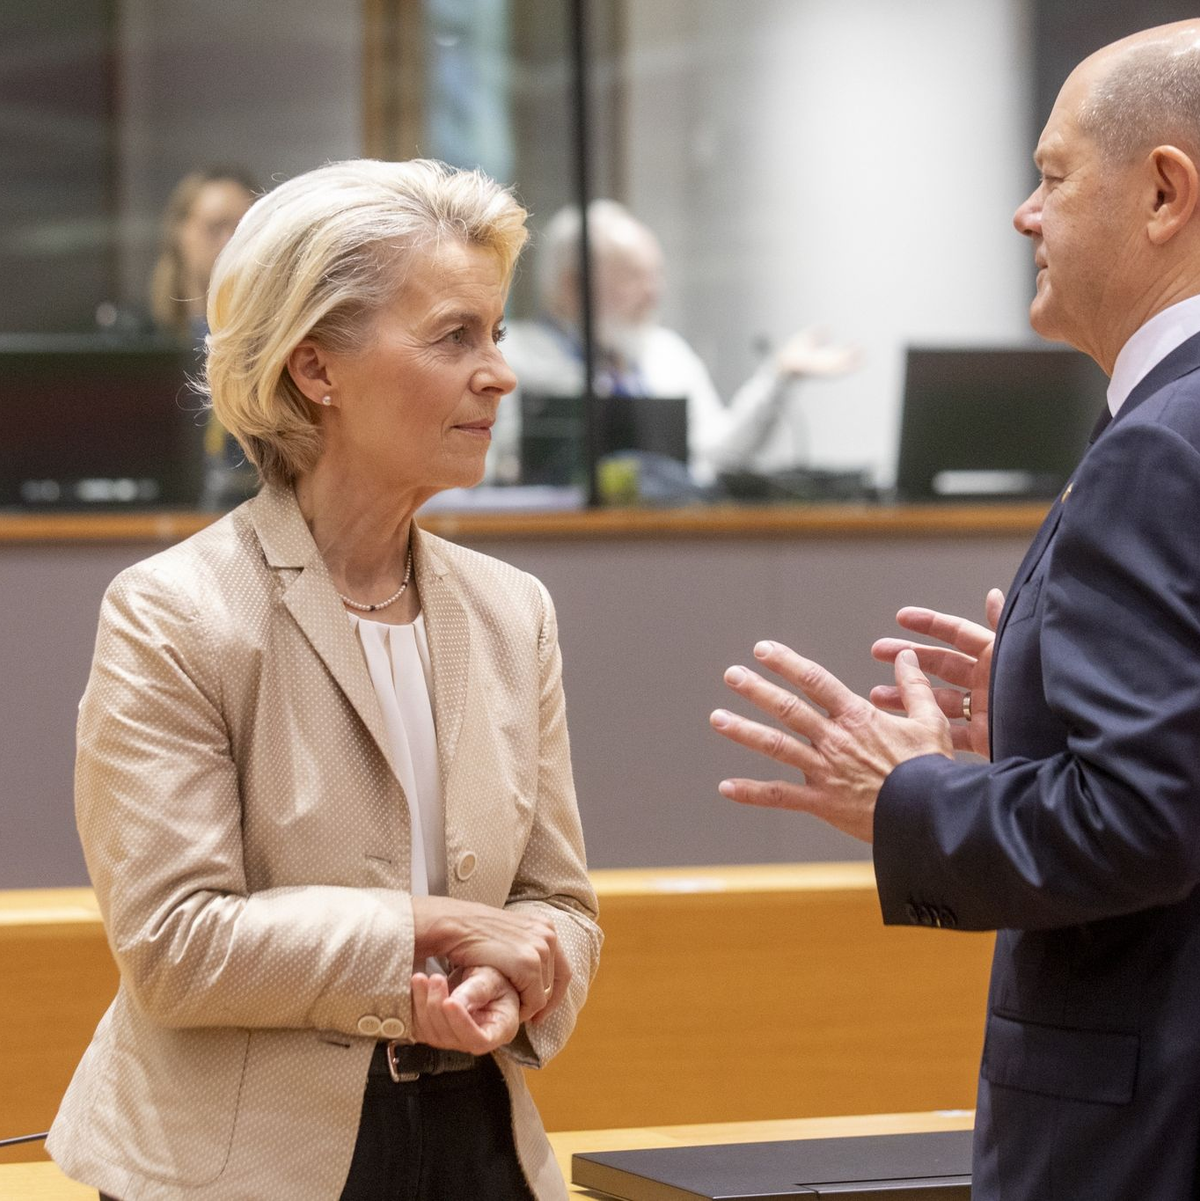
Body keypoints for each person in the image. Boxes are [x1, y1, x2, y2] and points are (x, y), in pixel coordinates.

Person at [47, 158, 601, 1201]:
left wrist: (505, 976)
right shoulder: (174, 609)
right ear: (316, 370)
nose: (500, 373)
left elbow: (556, 903)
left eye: (497, 332)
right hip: (245, 1167)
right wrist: (433, 931)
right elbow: (174, 944)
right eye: (455, 336)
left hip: (477, 1145)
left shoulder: (511, 609)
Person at [710, 22, 1200, 1201]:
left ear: (1165, 192)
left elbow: (1145, 820)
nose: (1025, 215)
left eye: (1052, 175)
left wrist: (910, 789)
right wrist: (1038, 720)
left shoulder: (1162, 452)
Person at [490, 199, 856, 485]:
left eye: (657, 275)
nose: (654, 293)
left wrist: (779, 378)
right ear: (573, 286)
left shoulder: (668, 353)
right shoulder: (511, 360)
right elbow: (494, 472)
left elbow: (719, 454)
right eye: (633, 276)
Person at [149, 167, 261, 509]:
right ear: (179, 233)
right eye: (215, 227)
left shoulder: (275, 348)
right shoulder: (149, 346)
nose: (229, 242)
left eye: (242, 229)